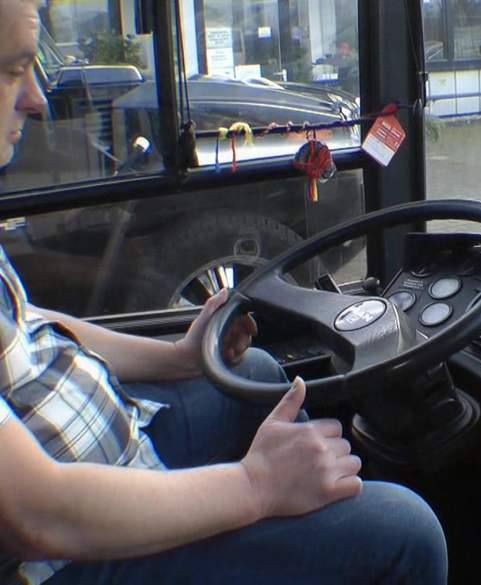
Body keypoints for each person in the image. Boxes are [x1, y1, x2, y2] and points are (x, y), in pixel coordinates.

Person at [0, 1, 448, 584]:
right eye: (13, 69)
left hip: (113, 438)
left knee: (255, 372)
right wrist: (256, 486)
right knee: (405, 531)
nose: (36, 98)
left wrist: (179, 358)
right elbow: (37, 516)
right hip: (72, 554)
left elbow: (29, 324)